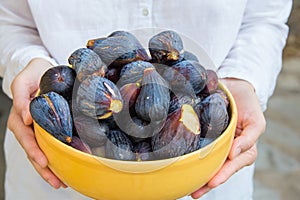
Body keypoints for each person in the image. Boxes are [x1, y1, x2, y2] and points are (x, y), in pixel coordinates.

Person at [0, 0, 292, 199]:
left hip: (204, 170)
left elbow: (264, 17)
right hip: (61, 169)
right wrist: (27, 62)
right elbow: (10, 18)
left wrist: (244, 78)